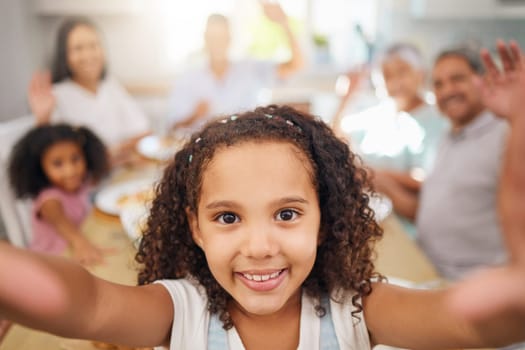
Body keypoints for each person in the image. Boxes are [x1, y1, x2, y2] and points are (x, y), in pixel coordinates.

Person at [0, 41, 524, 349]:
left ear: (325, 217)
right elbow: (83, 303)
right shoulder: (180, 311)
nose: (259, 245)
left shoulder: (356, 310)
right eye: (228, 217)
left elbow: (470, 319)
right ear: (194, 226)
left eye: (288, 213)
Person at [412, 46, 510, 281]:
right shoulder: (446, 138)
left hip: (477, 283)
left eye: (457, 79)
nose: (447, 91)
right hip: (430, 270)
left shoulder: (508, 136)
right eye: (438, 84)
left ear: (484, 80)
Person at [332, 43, 448, 234]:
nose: (395, 81)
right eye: (386, 74)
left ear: (421, 73)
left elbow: (427, 178)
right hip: (368, 222)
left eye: (403, 72)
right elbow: (333, 142)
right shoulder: (375, 117)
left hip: (411, 225)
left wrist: (375, 175)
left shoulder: (437, 119)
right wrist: (345, 98)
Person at [28, 18, 151, 166]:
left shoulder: (110, 85)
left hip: (121, 171)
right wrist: (43, 120)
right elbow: (59, 159)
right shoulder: (55, 96)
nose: (88, 55)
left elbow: (144, 133)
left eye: (94, 46)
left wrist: (112, 153)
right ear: (64, 56)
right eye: (78, 48)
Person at [167, 1, 304, 134]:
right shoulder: (188, 78)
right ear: (205, 39)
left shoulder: (251, 69)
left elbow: (295, 65)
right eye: (213, 37)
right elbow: (172, 128)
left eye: (222, 37)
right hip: (203, 152)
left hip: (247, 147)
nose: (217, 43)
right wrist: (195, 115)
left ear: (230, 38)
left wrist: (284, 23)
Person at [8, 124, 110, 265]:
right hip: (49, 264)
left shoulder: (80, 184)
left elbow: (107, 163)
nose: (70, 171)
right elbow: (58, 218)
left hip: (77, 252)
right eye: (58, 164)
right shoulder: (48, 198)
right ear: (40, 168)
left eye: (75, 159)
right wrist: (80, 242)